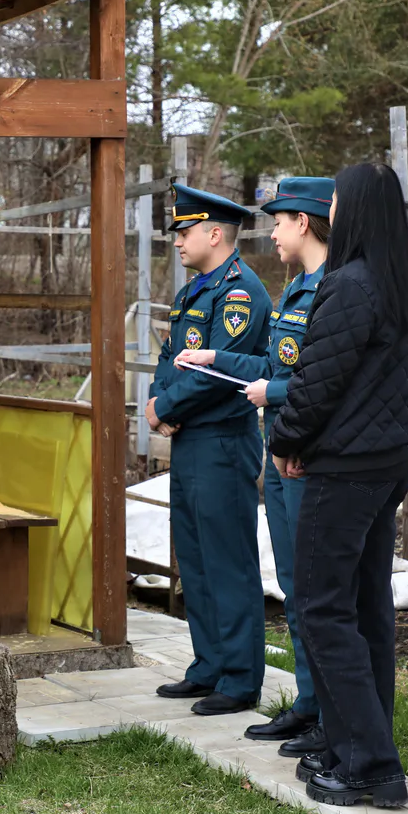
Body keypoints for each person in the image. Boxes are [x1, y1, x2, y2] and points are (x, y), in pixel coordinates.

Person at [268, 162, 408, 807]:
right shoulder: (397, 285)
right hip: (383, 468)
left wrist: (287, 443)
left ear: (355, 209)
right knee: (365, 614)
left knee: (323, 610)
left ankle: (371, 767)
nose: (329, 208)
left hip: (345, 473)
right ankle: (350, 747)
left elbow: (315, 384)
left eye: (336, 200)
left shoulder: (349, 286)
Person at [174, 177, 333, 757]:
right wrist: (217, 357)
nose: (274, 229)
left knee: (310, 590)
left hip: (303, 455)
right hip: (281, 448)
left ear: (306, 223)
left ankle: (317, 708)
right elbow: (271, 360)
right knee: (292, 587)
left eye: (282, 219)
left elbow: (322, 380)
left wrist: (273, 390)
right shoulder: (295, 291)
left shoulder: (322, 292)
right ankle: (308, 703)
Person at [148, 184, 273, 716]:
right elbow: (170, 359)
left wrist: (166, 409)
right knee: (195, 558)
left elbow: (218, 374)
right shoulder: (191, 292)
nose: (176, 241)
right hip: (192, 441)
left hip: (224, 440)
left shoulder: (241, 293)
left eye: (185, 231)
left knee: (228, 561)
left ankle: (240, 679)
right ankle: (208, 666)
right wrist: (159, 400)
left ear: (214, 233)